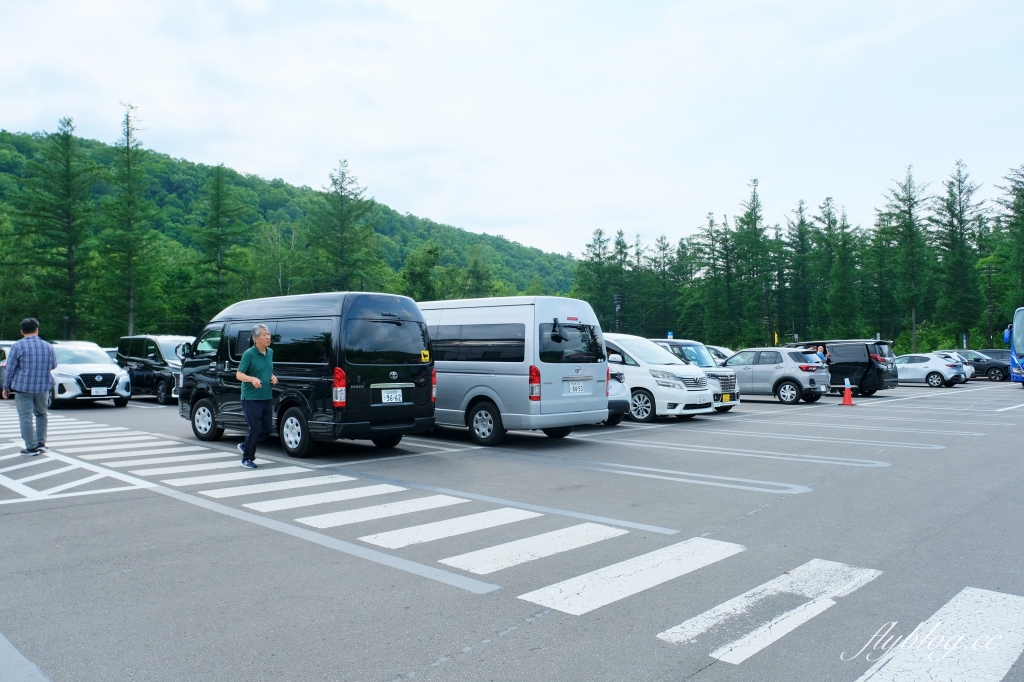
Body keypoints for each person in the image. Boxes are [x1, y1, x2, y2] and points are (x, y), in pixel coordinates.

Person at [1, 319, 57, 456]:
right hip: (43, 387)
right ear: (37, 330)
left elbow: (10, 369)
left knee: (25, 417)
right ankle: (41, 443)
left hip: (23, 388)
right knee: (41, 414)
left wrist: (6, 387)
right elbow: (53, 365)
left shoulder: (18, 346)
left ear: (22, 331)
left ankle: (31, 447)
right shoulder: (48, 346)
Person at [235, 323, 278, 468]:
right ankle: (247, 458)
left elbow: (265, 370)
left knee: (267, 429)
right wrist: (252, 379)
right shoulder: (249, 354)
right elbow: (239, 374)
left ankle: (245, 445)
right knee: (255, 428)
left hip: (265, 396)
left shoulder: (270, 352)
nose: (268, 337)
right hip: (251, 397)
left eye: (268, 334)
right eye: (264, 335)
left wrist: (273, 377)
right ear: (255, 338)